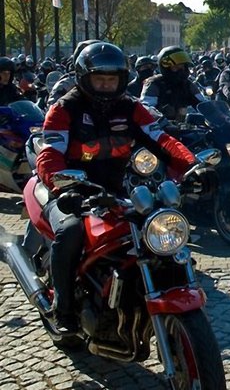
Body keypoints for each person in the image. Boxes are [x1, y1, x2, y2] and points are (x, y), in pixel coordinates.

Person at [36, 42, 217, 335]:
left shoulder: (130, 107)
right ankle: (64, 309)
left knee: (155, 226)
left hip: (116, 187)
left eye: (112, 80)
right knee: (70, 232)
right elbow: (50, 154)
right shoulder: (64, 109)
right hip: (72, 189)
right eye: (100, 79)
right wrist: (59, 184)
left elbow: (162, 139)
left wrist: (193, 167)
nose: (107, 86)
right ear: (85, 78)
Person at [140, 46, 205, 121]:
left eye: (183, 67)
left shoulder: (188, 84)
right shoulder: (154, 84)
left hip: (187, 127)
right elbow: (146, 108)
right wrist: (161, 115)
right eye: (176, 67)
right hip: (160, 128)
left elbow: (203, 103)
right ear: (166, 67)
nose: (181, 70)